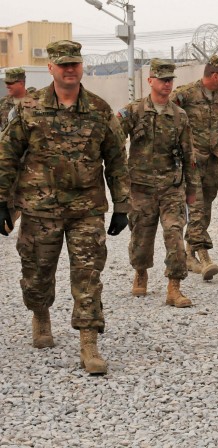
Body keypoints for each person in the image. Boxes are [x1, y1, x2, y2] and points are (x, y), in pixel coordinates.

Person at [0, 40, 131, 375]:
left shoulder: (99, 110)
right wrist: (2, 200)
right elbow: (7, 156)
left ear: (81, 66)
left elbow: (116, 160)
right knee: (37, 272)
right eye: (63, 65)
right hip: (39, 209)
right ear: (51, 68)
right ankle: (40, 314)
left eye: (74, 64)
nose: (69, 70)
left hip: (85, 209)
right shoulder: (29, 107)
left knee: (88, 275)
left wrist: (122, 205)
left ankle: (89, 343)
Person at [117, 59, 200, 308]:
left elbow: (189, 155)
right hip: (140, 187)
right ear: (150, 80)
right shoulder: (133, 111)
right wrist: (119, 175)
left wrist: (192, 190)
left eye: (170, 80)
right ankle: (141, 271)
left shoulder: (179, 115)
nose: (167, 84)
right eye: (162, 79)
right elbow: (112, 140)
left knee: (174, 233)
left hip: (171, 186)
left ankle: (174, 287)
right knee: (141, 237)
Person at [170, 55, 218, 281]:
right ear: (215, 76)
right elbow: (166, 118)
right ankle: (203, 255)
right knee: (196, 206)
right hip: (192, 161)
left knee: (206, 206)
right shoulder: (184, 94)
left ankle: (188, 253)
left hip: (212, 161)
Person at [0, 67, 30, 234]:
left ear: (21, 83)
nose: (7, 86)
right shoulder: (4, 104)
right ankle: (13, 214)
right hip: (11, 159)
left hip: (31, 161)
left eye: (11, 83)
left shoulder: (34, 102)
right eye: (6, 83)